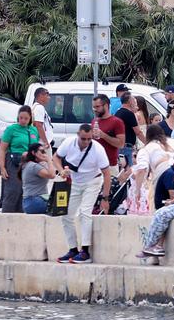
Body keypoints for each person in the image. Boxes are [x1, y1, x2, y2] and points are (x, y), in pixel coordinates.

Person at [55, 123, 112, 263]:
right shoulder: (69, 143)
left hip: (92, 181)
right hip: (74, 182)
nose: (86, 142)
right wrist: (61, 170)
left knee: (84, 212)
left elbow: (107, 174)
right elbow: (55, 157)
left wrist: (105, 197)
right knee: (66, 214)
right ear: (78, 136)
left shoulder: (98, 149)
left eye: (89, 139)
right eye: (83, 139)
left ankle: (85, 251)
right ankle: (72, 249)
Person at [0, 106, 40, 214]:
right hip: (14, 161)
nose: (23, 120)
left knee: (25, 191)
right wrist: (2, 167)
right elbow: (2, 149)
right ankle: (7, 215)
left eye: (26, 118)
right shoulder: (11, 129)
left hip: (29, 162)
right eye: (21, 118)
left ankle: (21, 214)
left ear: (30, 118)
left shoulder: (33, 130)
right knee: (13, 190)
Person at [20, 143, 59, 215]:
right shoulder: (34, 166)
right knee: (62, 206)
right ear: (33, 153)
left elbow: (52, 171)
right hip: (34, 201)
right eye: (42, 151)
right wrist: (49, 160)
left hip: (31, 202)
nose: (44, 154)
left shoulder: (30, 164)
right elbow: (52, 175)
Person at [29, 87, 54, 152]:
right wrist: (45, 142)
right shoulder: (39, 108)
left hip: (40, 142)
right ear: (40, 96)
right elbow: (39, 125)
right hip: (42, 144)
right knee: (46, 161)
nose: (49, 97)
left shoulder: (37, 107)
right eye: (47, 95)